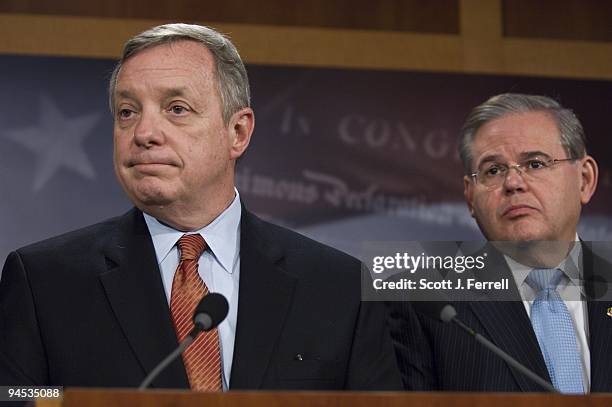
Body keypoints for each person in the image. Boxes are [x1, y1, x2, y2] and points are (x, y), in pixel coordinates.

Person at [0, 23, 401, 391]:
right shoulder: (44, 283)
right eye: (127, 112)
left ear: (237, 132)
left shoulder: (338, 286)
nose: (143, 133)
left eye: (176, 108)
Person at [388, 93, 612, 393]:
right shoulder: (422, 302)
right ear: (470, 196)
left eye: (535, 163)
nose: (513, 183)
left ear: (584, 180)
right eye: (493, 170)